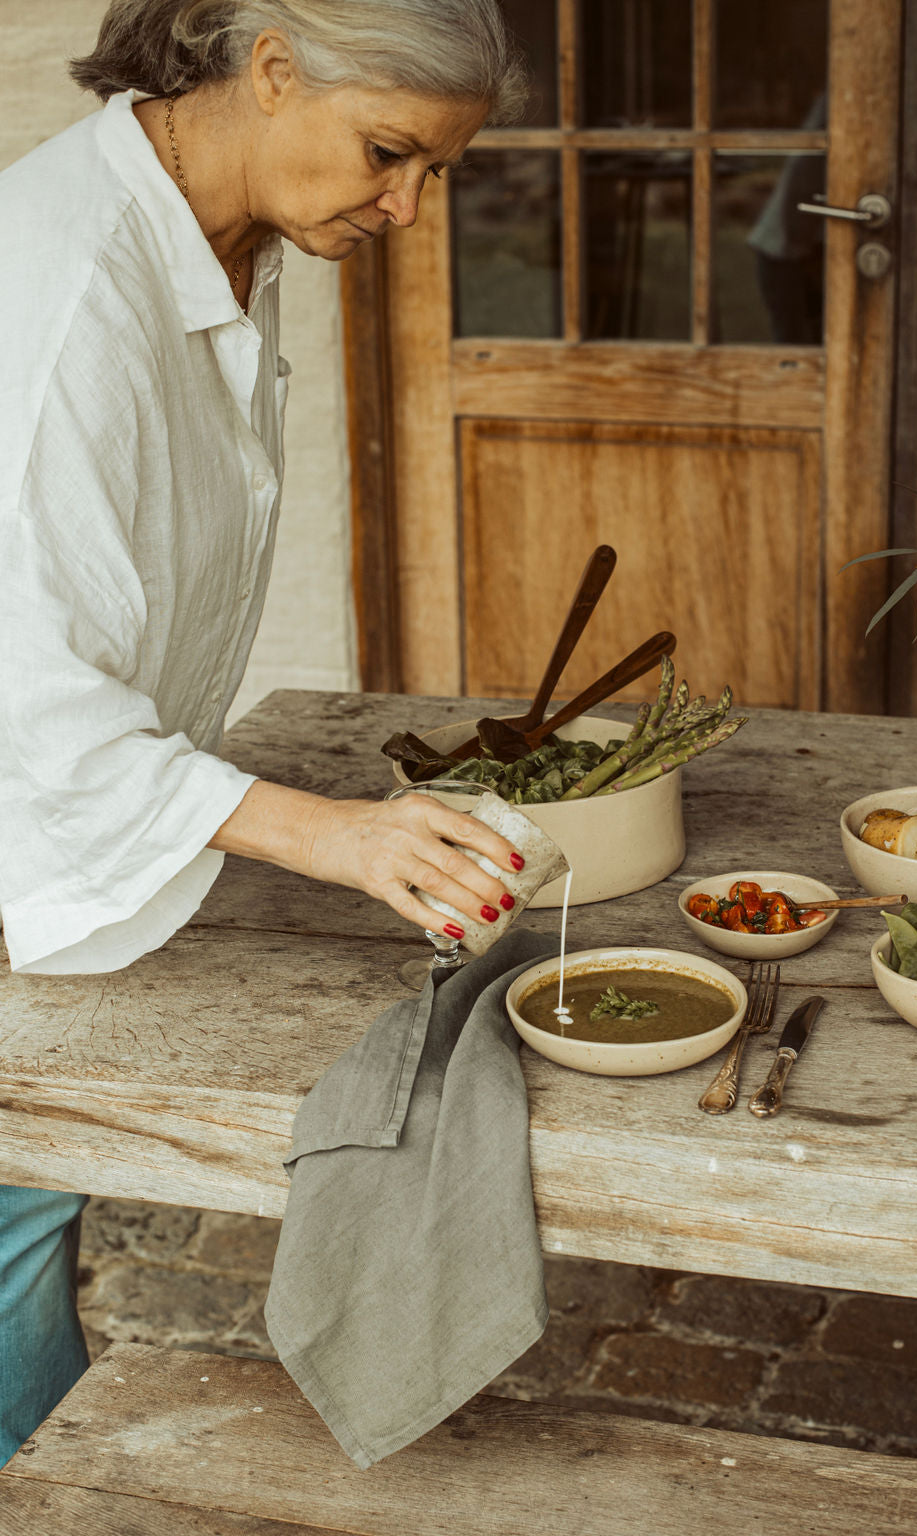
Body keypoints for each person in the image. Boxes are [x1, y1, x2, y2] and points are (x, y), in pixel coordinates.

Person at [0, 0, 527, 1463]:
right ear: (272, 70)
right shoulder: (58, 292)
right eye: (390, 154)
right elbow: (27, 702)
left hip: (44, 845)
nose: (407, 209)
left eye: (434, 174)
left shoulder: (220, 221)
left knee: (26, 1202)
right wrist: (335, 834)